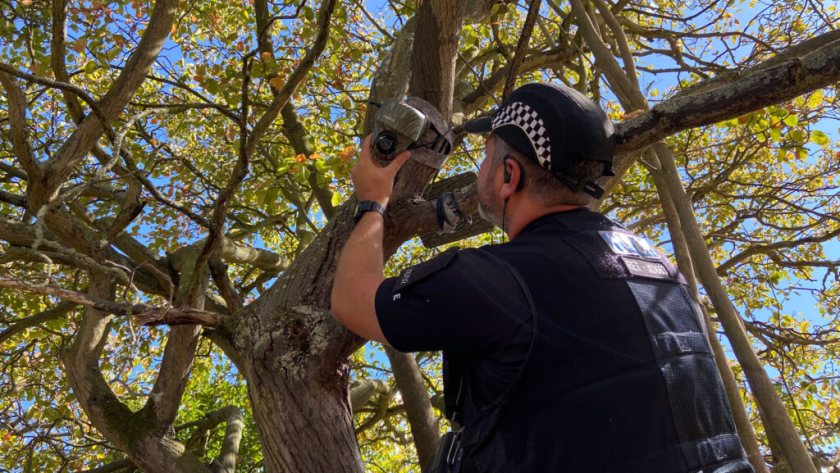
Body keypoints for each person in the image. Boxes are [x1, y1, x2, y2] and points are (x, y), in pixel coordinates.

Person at [331, 83, 754, 473]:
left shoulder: (496, 278)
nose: (482, 170)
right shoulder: (666, 275)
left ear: (509, 175)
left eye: (486, 157)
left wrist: (373, 202)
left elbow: (353, 300)